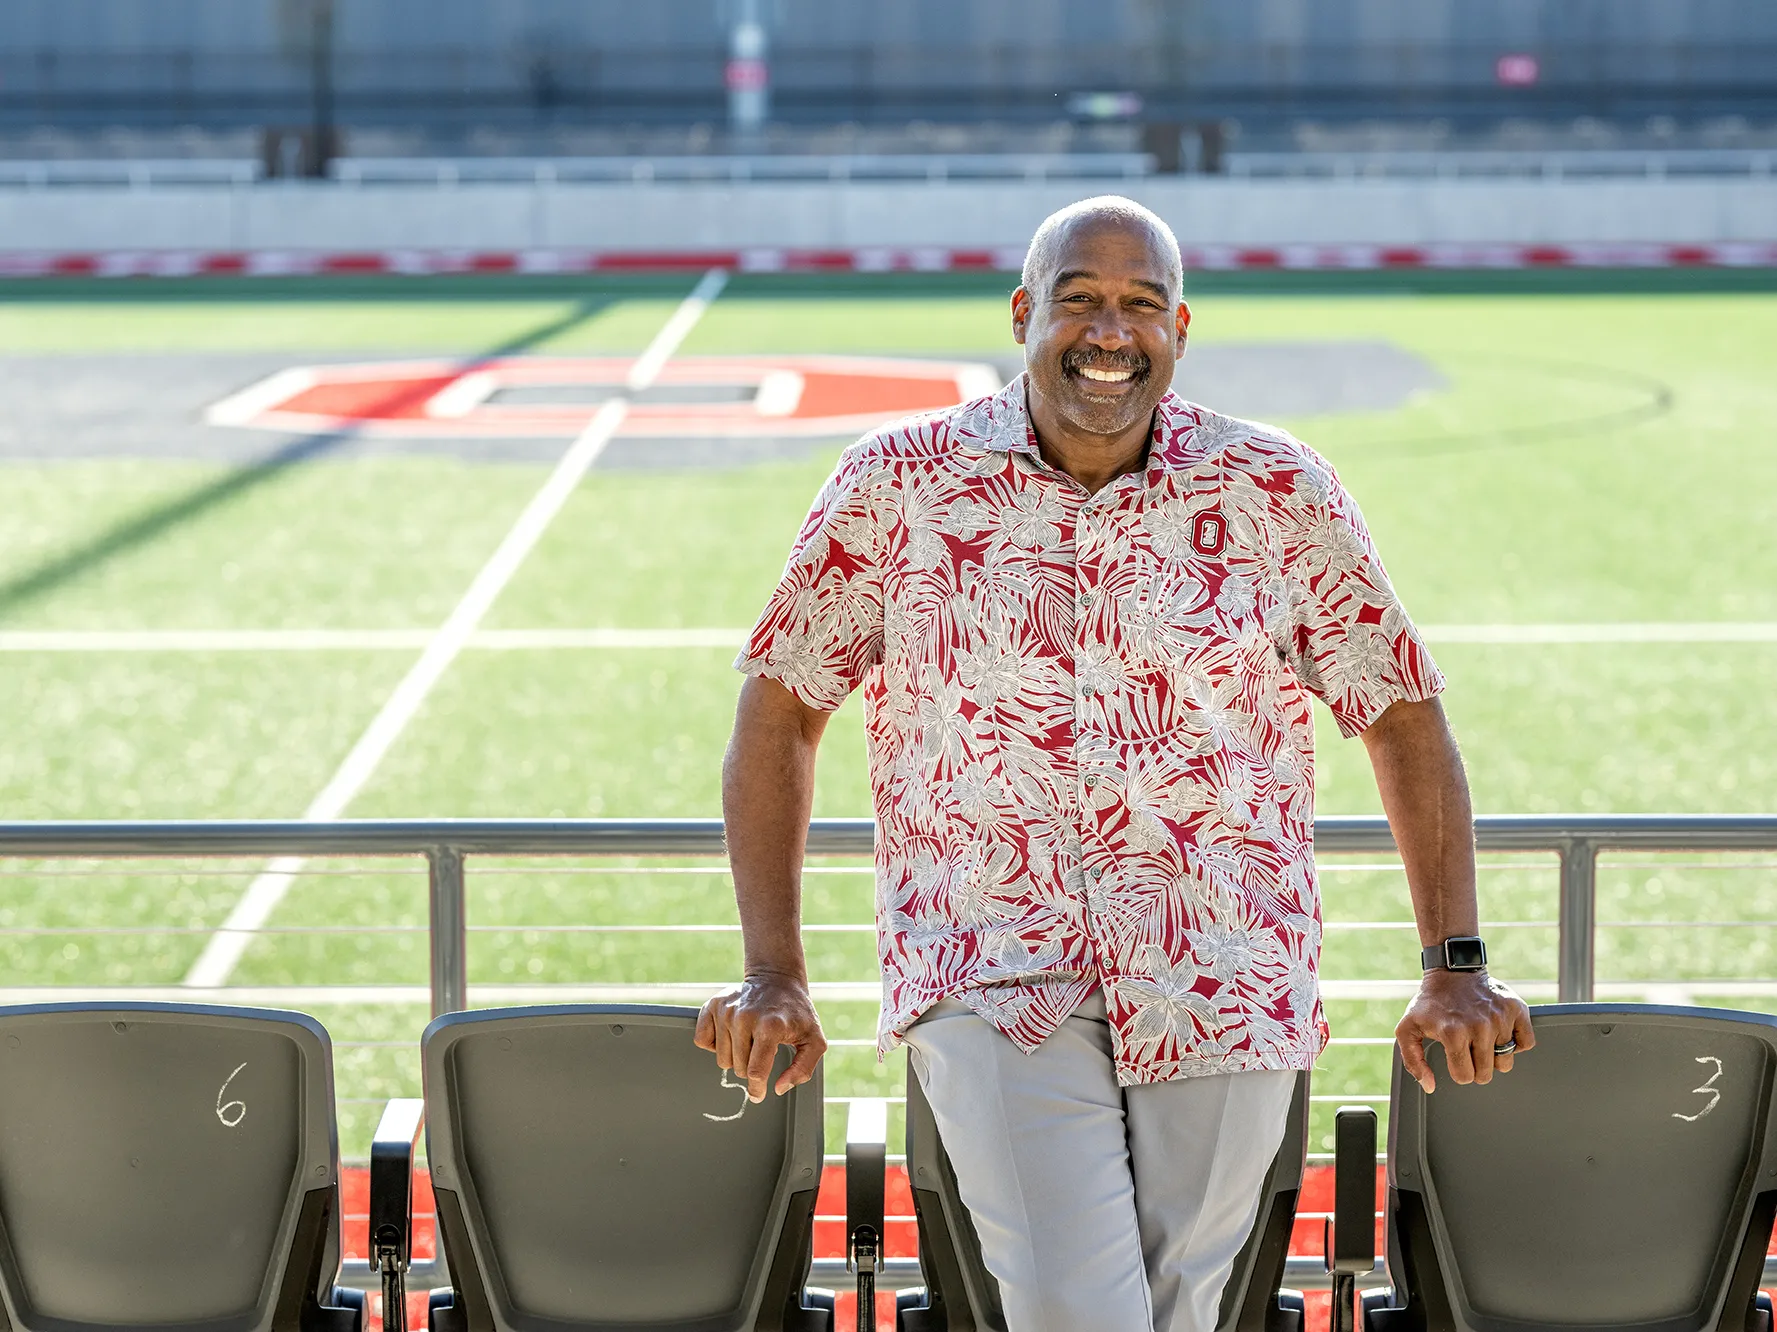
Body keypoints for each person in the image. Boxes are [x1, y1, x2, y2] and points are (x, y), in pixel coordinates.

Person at [695, 195, 1534, 1332]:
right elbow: (781, 710)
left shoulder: (1277, 490)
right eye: (1079, 300)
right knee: (1071, 1305)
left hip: (1223, 965)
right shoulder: (895, 486)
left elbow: (1399, 714)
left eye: (1140, 304)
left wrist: (1454, 961)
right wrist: (774, 971)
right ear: (1021, 313)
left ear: (1180, 327)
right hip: (990, 962)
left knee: (1182, 1306)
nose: (1109, 331)